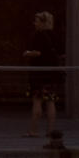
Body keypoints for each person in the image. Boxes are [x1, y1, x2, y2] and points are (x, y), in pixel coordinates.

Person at [24, 10, 60, 138]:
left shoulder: (38, 35)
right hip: (52, 73)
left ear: (42, 23)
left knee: (37, 101)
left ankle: (33, 130)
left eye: (37, 21)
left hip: (39, 73)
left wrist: (27, 53)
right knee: (50, 102)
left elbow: (38, 53)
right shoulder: (54, 36)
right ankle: (50, 131)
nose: (34, 23)